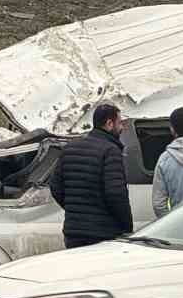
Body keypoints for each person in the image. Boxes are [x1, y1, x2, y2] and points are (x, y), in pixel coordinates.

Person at [50, 102, 133, 248]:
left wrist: (75, 209)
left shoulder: (69, 148)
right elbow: (116, 194)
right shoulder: (110, 151)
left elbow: (55, 187)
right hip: (103, 233)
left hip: (73, 231)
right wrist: (127, 227)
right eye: (120, 123)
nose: (122, 128)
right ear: (109, 124)